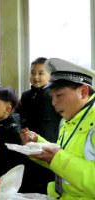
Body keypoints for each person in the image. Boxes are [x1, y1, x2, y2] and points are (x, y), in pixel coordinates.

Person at [21, 58, 95, 199]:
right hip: (63, 192)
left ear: (83, 92)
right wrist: (38, 143)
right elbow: (63, 154)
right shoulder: (69, 119)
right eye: (52, 96)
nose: (54, 102)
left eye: (59, 95)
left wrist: (57, 159)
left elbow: (61, 159)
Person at [15, 57, 61, 194]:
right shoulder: (25, 95)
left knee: (45, 186)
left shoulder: (54, 95)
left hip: (47, 150)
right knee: (28, 185)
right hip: (27, 151)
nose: (36, 77)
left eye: (41, 73)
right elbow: (17, 116)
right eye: (32, 72)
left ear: (50, 76)